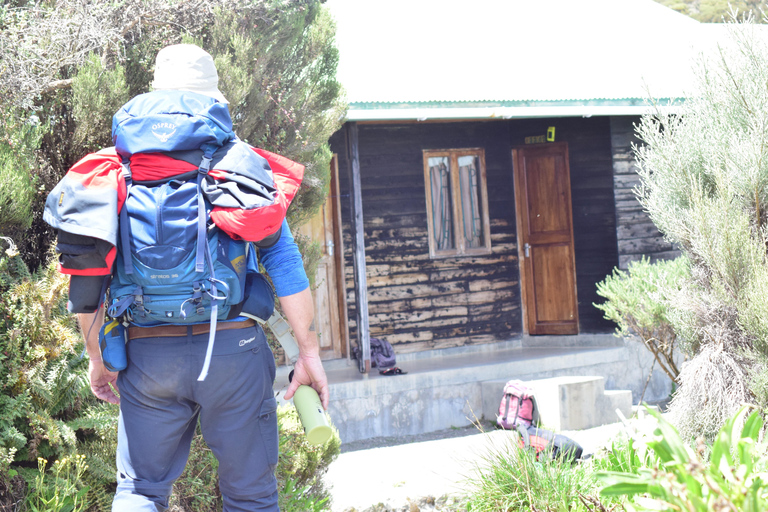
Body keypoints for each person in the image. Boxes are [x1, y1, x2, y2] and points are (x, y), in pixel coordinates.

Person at [76, 44, 329, 512]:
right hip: (234, 351)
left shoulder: (115, 169)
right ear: (213, 98)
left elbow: (85, 276)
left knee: (140, 491)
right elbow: (285, 263)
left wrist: (97, 357)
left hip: (149, 356)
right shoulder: (239, 161)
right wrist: (307, 352)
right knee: (251, 498)